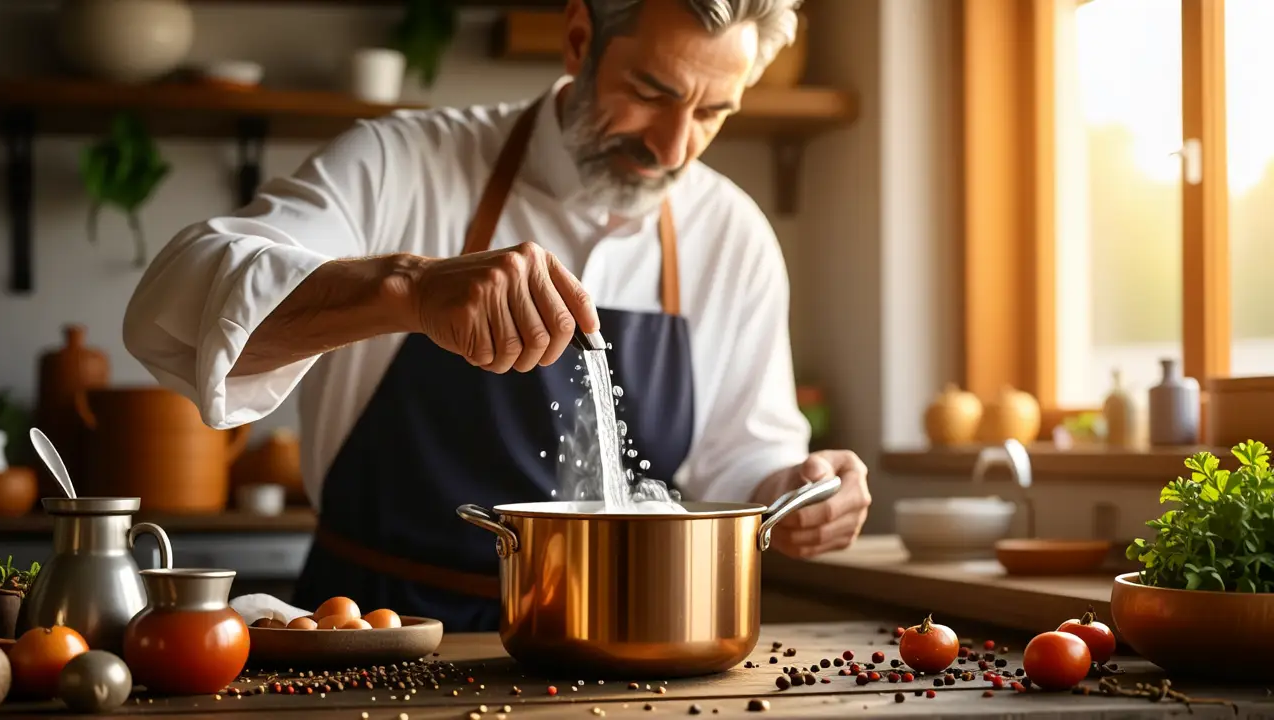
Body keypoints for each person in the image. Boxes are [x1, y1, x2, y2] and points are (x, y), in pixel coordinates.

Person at [123, 0, 871, 632]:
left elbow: (738, 462)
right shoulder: (400, 164)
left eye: (713, 112)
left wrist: (794, 493)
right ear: (579, 39)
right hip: (369, 635)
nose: (672, 147)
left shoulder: (731, 235)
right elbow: (177, 300)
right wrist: (409, 289)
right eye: (651, 89)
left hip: (609, 649)